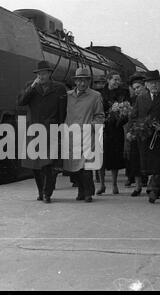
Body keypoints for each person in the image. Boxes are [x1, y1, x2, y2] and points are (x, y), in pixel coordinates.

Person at [18, 60, 67, 203]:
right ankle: (41, 191)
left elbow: (62, 111)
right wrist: (33, 86)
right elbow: (21, 102)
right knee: (35, 165)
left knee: (48, 165)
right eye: (39, 74)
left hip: (51, 129)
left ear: (50, 74)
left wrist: (58, 129)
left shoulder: (59, 88)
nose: (41, 76)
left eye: (44, 73)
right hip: (34, 130)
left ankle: (47, 193)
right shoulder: (31, 87)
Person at [129, 70, 160, 204]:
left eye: (156, 82)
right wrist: (135, 129)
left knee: (158, 162)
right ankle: (158, 188)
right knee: (149, 164)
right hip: (144, 137)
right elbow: (134, 116)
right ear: (146, 85)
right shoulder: (141, 98)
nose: (154, 85)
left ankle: (153, 189)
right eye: (151, 83)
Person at [63, 67, 105, 203]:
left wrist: (91, 126)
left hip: (88, 135)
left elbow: (100, 116)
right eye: (79, 80)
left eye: (85, 80)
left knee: (86, 166)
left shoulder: (95, 96)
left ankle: (88, 193)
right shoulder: (67, 96)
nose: (82, 83)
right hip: (71, 136)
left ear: (89, 81)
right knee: (75, 168)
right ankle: (81, 190)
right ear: (75, 81)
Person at [97, 72, 131, 195]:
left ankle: (114, 184)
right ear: (108, 80)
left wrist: (120, 118)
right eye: (115, 79)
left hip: (116, 129)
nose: (118, 82)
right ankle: (101, 185)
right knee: (101, 157)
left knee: (115, 157)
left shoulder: (124, 93)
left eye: (119, 80)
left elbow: (128, 111)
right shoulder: (99, 93)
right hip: (102, 128)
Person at [125, 73, 149, 196]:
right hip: (136, 134)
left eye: (138, 87)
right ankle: (138, 186)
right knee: (135, 160)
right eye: (134, 89)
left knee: (148, 161)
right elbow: (132, 117)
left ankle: (152, 185)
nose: (136, 90)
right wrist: (130, 131)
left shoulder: (150, 98)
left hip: (148, 133)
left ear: (145, 86)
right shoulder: (136, 100)